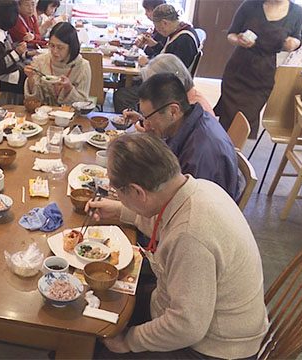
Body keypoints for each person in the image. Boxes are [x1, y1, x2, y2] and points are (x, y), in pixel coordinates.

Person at [88, 133, 268, 359]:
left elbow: (186, 327)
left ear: (137, 192)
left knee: (98, 349)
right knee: (107, 304)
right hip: (194, 313)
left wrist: (129, 341)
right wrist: (120, 210)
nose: (120, 198)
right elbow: (164, 220)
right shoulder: (196, 189)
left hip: (214, 348)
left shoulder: (190, 236)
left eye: (119, 191)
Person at [127, 73, 241, 201]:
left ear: (173, 111)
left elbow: (187, 207)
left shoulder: (199, 153)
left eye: (148, 117)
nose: (146, 125)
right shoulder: (190, 121)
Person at [214, 0, 302, 138]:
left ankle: (233, 153)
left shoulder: (297, 12)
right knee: (227, 118)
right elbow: (231, 34)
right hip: (238, 70)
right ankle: (221, 152)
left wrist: (293, 43)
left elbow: (297, 39)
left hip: (263, 75)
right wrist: (238, 40)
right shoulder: (250, 5)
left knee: (246, 120)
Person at [117, 53, 215, 117]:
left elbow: (170, 145)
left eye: (155, 88)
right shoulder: (186, 98)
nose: (152, 94)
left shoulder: (194, 111)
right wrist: (142, 120)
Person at [24, 22, 91, 106]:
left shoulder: (83, 66)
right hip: (42, 114)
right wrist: (30, 78)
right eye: (52, 46)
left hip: (72, 115)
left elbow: (83, 103)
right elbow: (34, 100)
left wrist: (69, 88)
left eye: (60, 47)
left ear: (71, 47)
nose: (55, 51)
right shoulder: (40, 61)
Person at [139, 4, 200, 69]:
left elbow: (174, 69)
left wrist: (148, 63)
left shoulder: (185, 39)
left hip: (172, 78)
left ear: (164, 23)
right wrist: (154, 45)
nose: (157, 30)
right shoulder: (180, 29)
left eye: (157, 27)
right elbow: (169, 55)